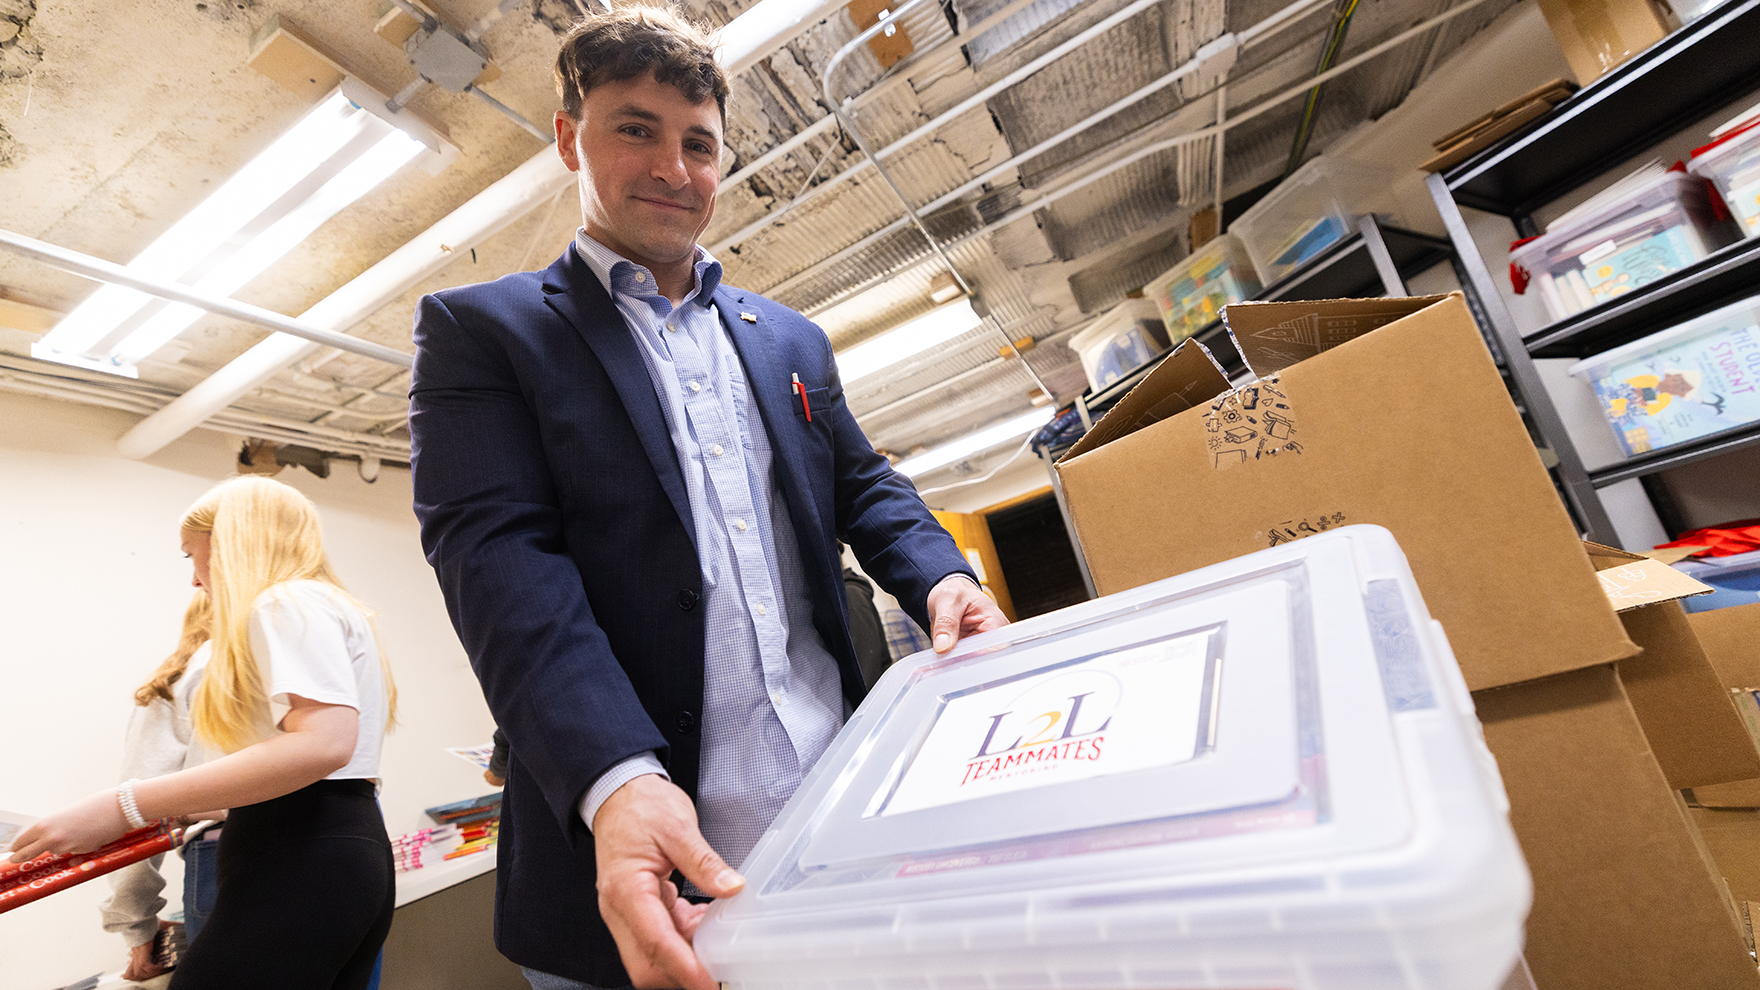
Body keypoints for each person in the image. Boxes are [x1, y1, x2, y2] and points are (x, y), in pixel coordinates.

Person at [406, 8, 1008, 990]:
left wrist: (942, 577)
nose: (673, 169)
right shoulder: (486, 334)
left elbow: (862, 484)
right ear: (569, 139)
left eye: (698, 143)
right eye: (635, 130)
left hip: (837, 814)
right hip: (640, 851)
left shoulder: (788, 339)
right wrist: (616, 780)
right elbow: (500, 566)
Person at [8, 476, 398, 990]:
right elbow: (325, 764)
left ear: (234, 543)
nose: (194, 579)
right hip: (344, 838)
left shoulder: (281, 602)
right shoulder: (330, 606)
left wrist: (123, 805)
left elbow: (324, 744)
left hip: (297, 848)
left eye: (192, 555)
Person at [99, 591, 221, 983]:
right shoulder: (298, 672)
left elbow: (139, 812)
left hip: (223, 854)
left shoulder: (179, 680)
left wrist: (137, 925)